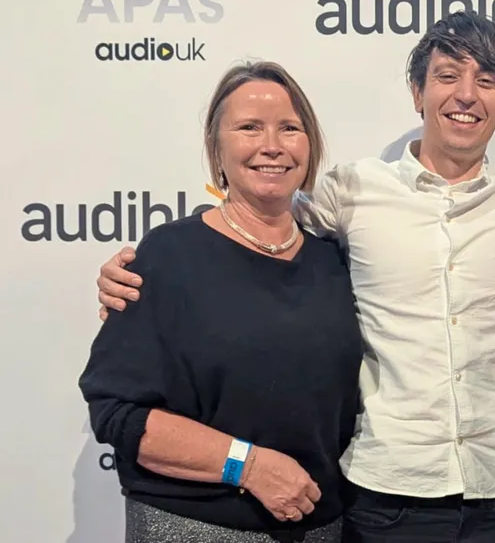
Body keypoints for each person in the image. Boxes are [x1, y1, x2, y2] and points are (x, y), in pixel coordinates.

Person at [93, 11, 495, 543]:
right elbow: (251, 215)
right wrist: (146, 270)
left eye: (487, 81)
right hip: (387, 500)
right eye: (448, 76)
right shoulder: (353, 192)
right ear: (417, 91)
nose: (467, 95)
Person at [78, 61, 365, 543]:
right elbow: (117, 411)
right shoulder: (169, 256)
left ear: (309, 144)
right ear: (218, 149)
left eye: (289, 128)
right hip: (194, 526)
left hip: (321, 527)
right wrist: (245, 465)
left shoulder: (335, 259)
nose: (271, 145)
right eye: (249, 127)